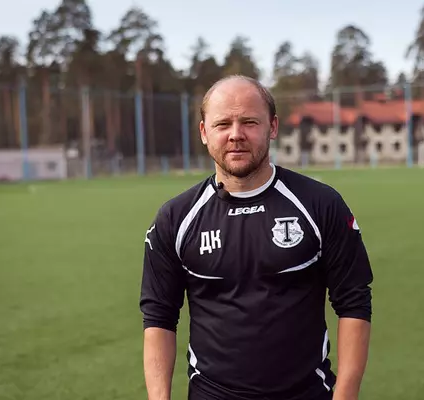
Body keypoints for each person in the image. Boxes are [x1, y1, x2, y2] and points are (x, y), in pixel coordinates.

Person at [139, 75, 374, 400]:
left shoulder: (320, 205)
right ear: (204, 133)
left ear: (272, 127)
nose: (236, 134)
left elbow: (354, 302)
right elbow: (159, 317)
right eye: (223, 124)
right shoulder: (176, 219)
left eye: (249, 122)